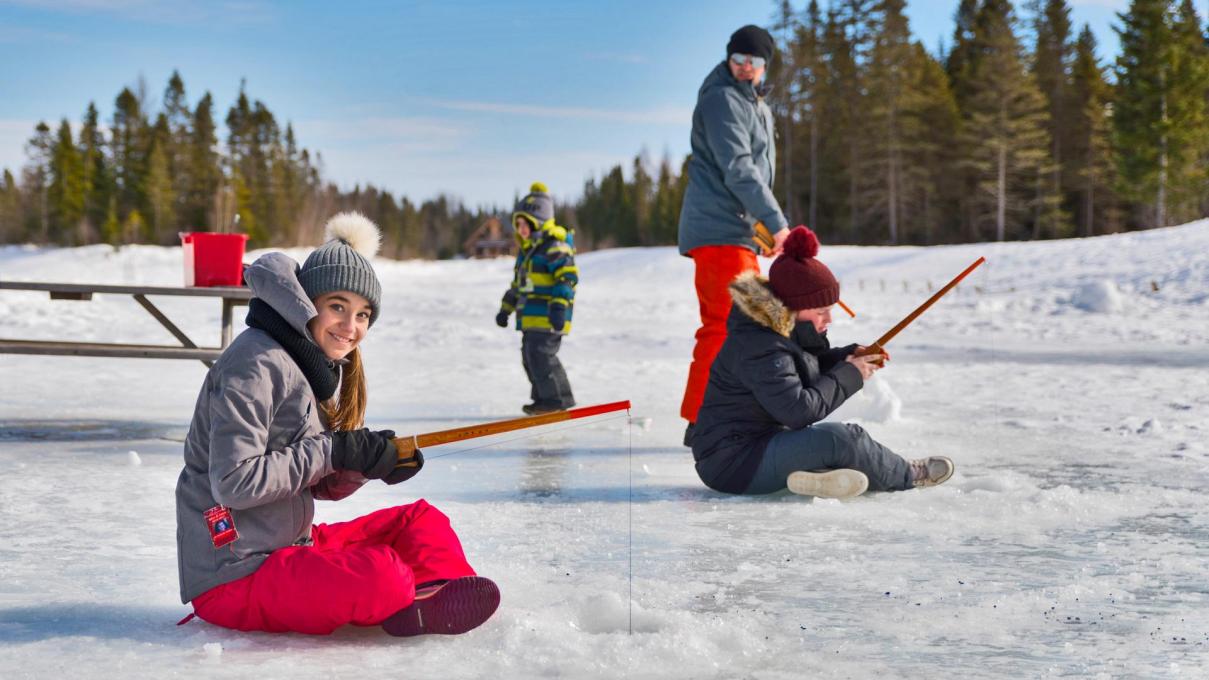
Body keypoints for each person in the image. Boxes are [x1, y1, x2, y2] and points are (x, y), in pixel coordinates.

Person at [175, 212, 500, 637]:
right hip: (235, 572)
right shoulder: (255, 364)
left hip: (286, 544)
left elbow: (304, 479)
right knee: (383, 575)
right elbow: (235, 483)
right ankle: (402, 596)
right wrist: (334, 450)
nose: (351, 327)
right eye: (338, 308)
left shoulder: (305, 361)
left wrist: (362, 466)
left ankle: (428, 596)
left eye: (363, 315)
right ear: (307, 303)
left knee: (421, 520)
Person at [691, 226, 955, 498]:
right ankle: (908, 474)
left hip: (755, 449)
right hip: (733, 464)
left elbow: (803, 367)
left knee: (828, 441)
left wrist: (847, 357)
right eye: (821, 312)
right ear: (792, 307)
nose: (828, 319)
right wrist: (851, 373)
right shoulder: (762, 345)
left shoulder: (776, 334)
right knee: (843, 439)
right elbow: (798, 411)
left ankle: (814, 476)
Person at [678, 24, 796, 447]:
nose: (745, 68)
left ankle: (730, 413)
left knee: (752, 324)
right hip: (718, 231)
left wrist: (760, 226)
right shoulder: (722, 99)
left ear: (765, 67)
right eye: (738, 60)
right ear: (729, 60)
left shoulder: (753, 101)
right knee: (725, 327)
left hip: (736, 231)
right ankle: (702, 421)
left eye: (754, 62)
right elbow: (739, 169)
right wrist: (776, 222)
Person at [496, 182, 578, 415]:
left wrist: (559, 307)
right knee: (529, 358)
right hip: (531, 319)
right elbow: (517, 286)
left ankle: (558, 400)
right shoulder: (527, 252)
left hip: (549, 316)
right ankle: (543, 399)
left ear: (539, 221)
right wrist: (505, 309)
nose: (520, 229)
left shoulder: (554, 246)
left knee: (542, 357)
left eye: (526, 223)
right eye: (518, 224)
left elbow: (567, 278)